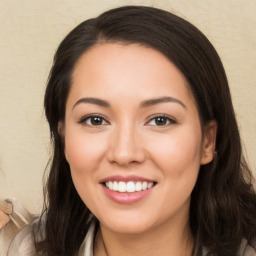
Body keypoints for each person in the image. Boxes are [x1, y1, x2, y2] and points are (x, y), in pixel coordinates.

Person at [7, 5, 256, 256]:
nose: (124, 153)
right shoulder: (27, 249)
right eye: (95, 120)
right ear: (64, 138)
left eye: (160, 120)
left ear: (208, 142)